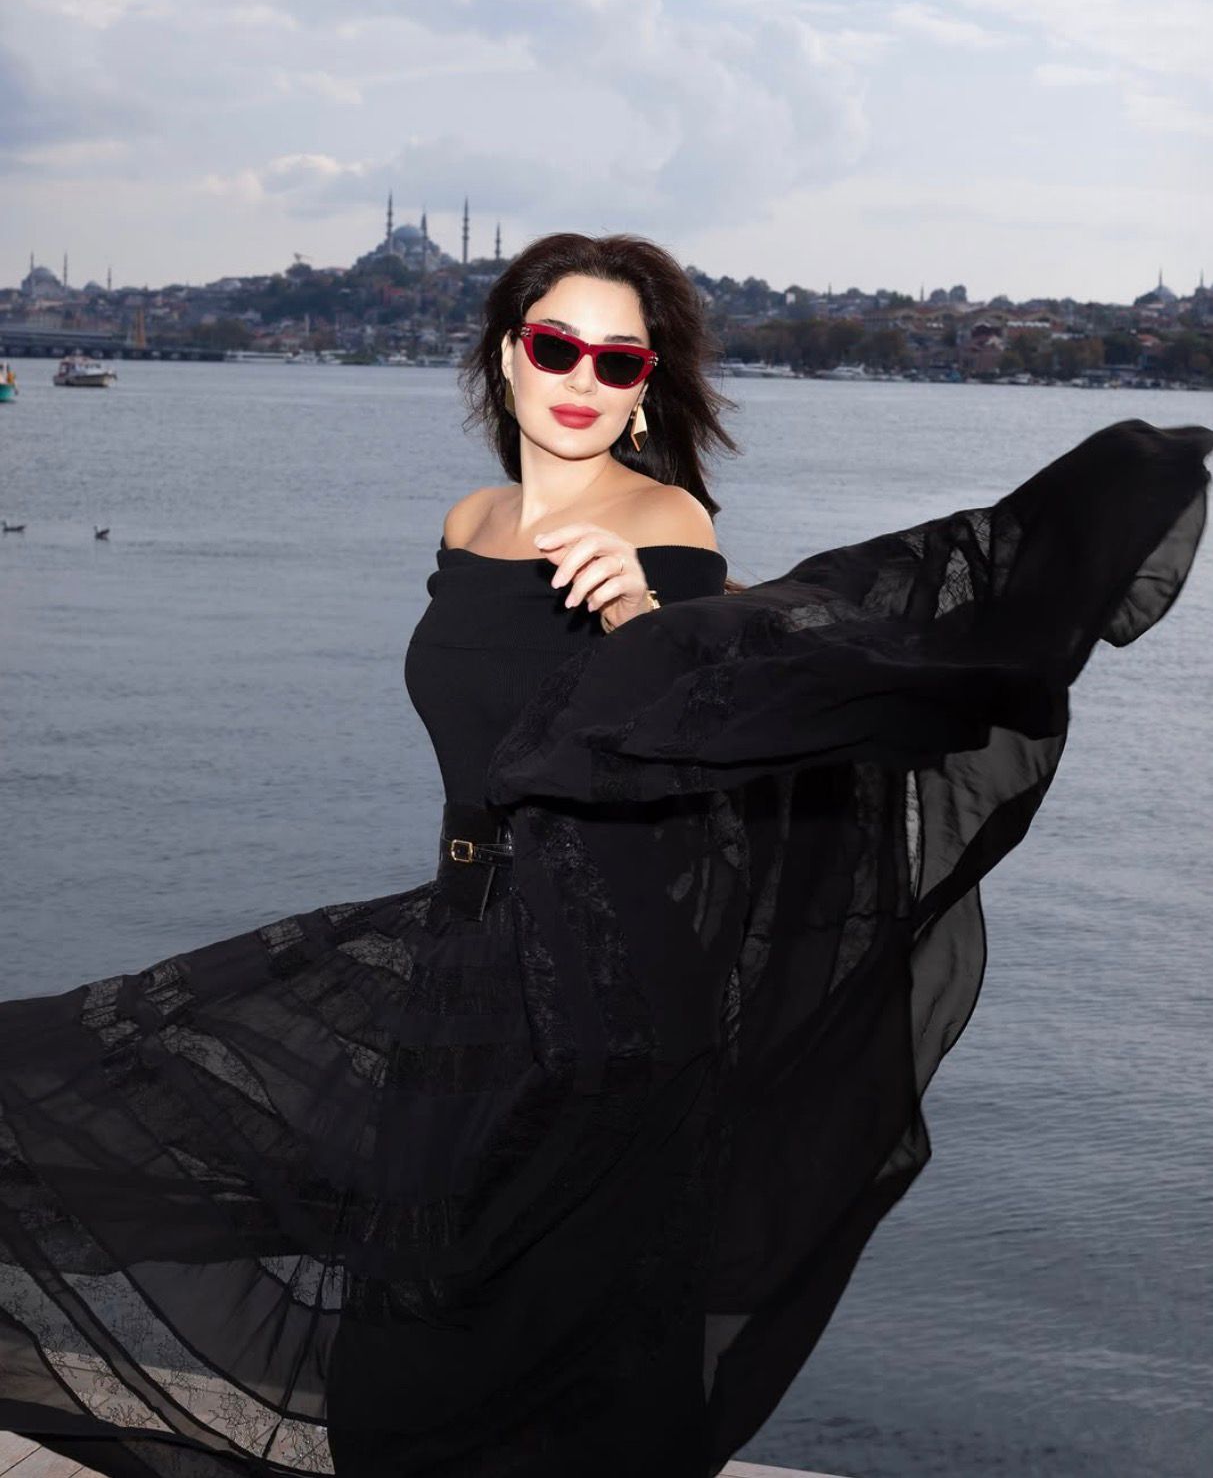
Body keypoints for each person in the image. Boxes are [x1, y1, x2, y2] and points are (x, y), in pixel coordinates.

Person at [0, 232, 1209, 1478]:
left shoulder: (663, 523)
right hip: (465, 956)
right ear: (504, 356)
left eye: (618, 358)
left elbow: (721, 719)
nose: (583, 375)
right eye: (556, 344)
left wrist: (641, 614)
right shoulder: (471, 520)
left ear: (645, 384)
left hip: (604, 996)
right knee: (404, 1341)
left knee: (552, 1361)